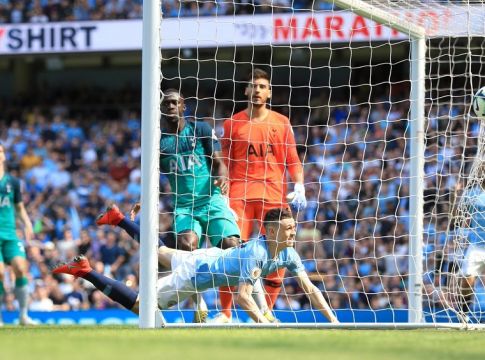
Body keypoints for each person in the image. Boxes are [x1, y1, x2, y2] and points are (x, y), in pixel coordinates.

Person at [53, 206, 339, 324]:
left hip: (209, 256)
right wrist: (265, 322)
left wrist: (333, 321)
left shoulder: (288, 253)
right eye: (288, 228)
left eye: (294, 227)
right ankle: (86, 272)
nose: (293, 232)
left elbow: (310, 289)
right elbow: (241, 297)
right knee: (143, 305)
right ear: (272, 231)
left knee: (161, 250)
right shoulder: (257, 252)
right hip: (196, 274)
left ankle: (119, 219)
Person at [104, 89, 242, 322]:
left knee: (232, 247)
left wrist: (223, 176)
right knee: (187, 245)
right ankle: (199, 302)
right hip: (184, 206)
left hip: (211, 199)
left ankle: (254, 306)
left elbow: (219, 163)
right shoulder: (158, 142)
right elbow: (152, 176)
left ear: (183, 106)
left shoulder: (201, 130)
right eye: (166, 103)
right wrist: (143, 200)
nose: (170, 106)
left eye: (174, 103)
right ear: (160, 108)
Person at [218, 68, 307, 321]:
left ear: (269, 92)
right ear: (246, 90)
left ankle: (266, 312)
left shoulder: (281, 122)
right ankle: (225, 313)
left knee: (279, 255)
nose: (256, 90)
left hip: (274, 197)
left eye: (261, 86)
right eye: (253, 86)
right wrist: (222, 190)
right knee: (230, 252)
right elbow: (223, 161)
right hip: (240, 197)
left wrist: (299, 185)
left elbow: (293, 159)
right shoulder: (232, 124)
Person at [0, 144, 35, 326]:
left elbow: (19, 208)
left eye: (0, 151)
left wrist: (28, 224)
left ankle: (23, 315)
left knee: (21, 268)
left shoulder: (12, 182)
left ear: (4, 156)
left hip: (10, 233)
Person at [452, 179, 485, 320]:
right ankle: (463, 314)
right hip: (477, 245)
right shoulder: (473, 194)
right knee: (467, 277)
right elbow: (457, 215)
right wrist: (457, 196)